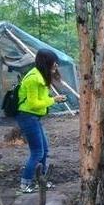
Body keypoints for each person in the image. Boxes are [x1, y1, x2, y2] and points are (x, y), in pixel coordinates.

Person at [15, 49, 67, 193]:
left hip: (34, 117)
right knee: (37, 152)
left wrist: (53, 100)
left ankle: (41, 181)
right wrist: (53, 100)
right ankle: (25, 184)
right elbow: (33, 104)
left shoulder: (41, 76)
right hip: (27, 116)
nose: (56, 65)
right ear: (46, 62)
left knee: (44, 150)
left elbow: (40, 100)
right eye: (53, 62)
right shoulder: (33, 78)